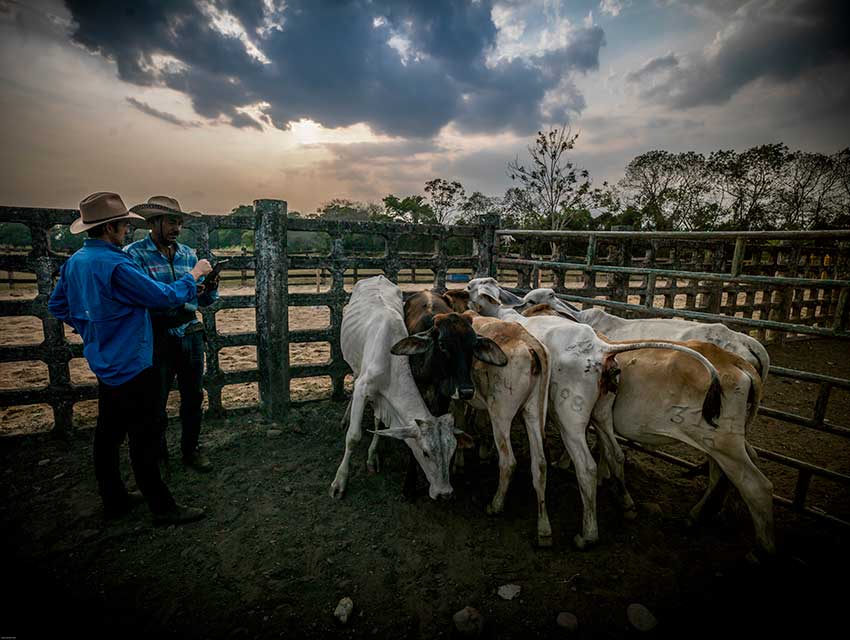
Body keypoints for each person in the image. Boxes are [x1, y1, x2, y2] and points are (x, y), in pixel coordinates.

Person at [48, 191, 211, 525]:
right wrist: (194, 275)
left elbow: (58, 305)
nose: (126, 230)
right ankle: (162, 507)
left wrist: (93, 328)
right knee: (144, 434)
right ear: (110, 228)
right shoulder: (117, 264)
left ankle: (114, 497)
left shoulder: (76, 261)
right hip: (134, 358)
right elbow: (162, 296)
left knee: (108, 432)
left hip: (104, 357)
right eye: (123, 225)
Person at [125, 196, 219, 473]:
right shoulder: (135, 255)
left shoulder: (188, 254)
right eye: (170, 222)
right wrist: (188, 285)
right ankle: (158, 455)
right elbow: (149, 297)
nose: (176, 228)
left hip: (190, 330)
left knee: (194, 396)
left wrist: (210, 287)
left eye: (179, 223)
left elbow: (203, 301)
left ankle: (191, 448)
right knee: (155, 401)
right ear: (153, 223)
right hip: (157, 333)